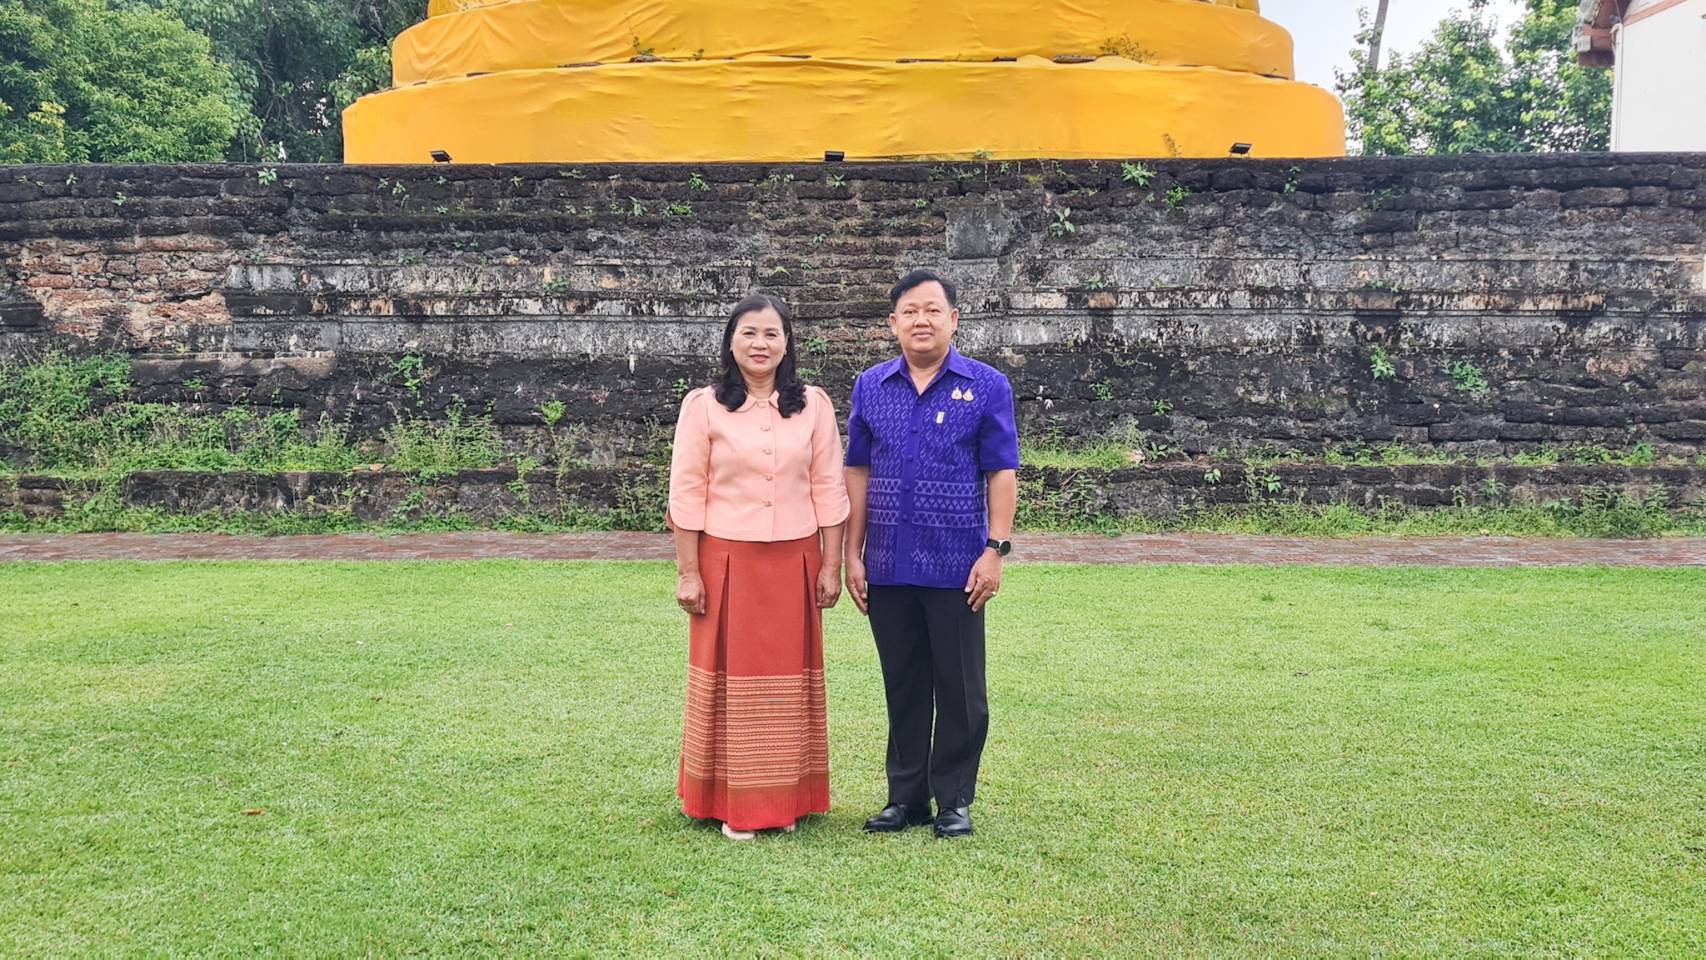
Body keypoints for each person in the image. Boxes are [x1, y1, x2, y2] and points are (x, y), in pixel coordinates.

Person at [843, 269, 1020, 839]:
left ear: (953, 320)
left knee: (961, 685)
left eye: (932, 310)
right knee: (904, 681)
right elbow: (858, 472)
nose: (921, 321)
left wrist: (994, 550)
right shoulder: (872, 386)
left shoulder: (986, 385)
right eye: (910, 312)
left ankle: (954, 800)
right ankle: (906, 797)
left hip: (956, 562)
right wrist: (853, 554)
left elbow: (1001, 472)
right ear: (892, 323)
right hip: (889, 563)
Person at [667, 293, 850, 840]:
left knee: (786, 684)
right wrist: (688, 570)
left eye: (771, 333)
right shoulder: (703, 406)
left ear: (787, 342)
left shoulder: (812, 404)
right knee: (731, 682)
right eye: (749, 332)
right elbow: (687, 491)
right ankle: (730, 803)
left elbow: (828, 489)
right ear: (730, 341)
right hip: (726, 561)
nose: (760, 344)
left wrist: (830, 565)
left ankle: (785, 799)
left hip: (795, 560)